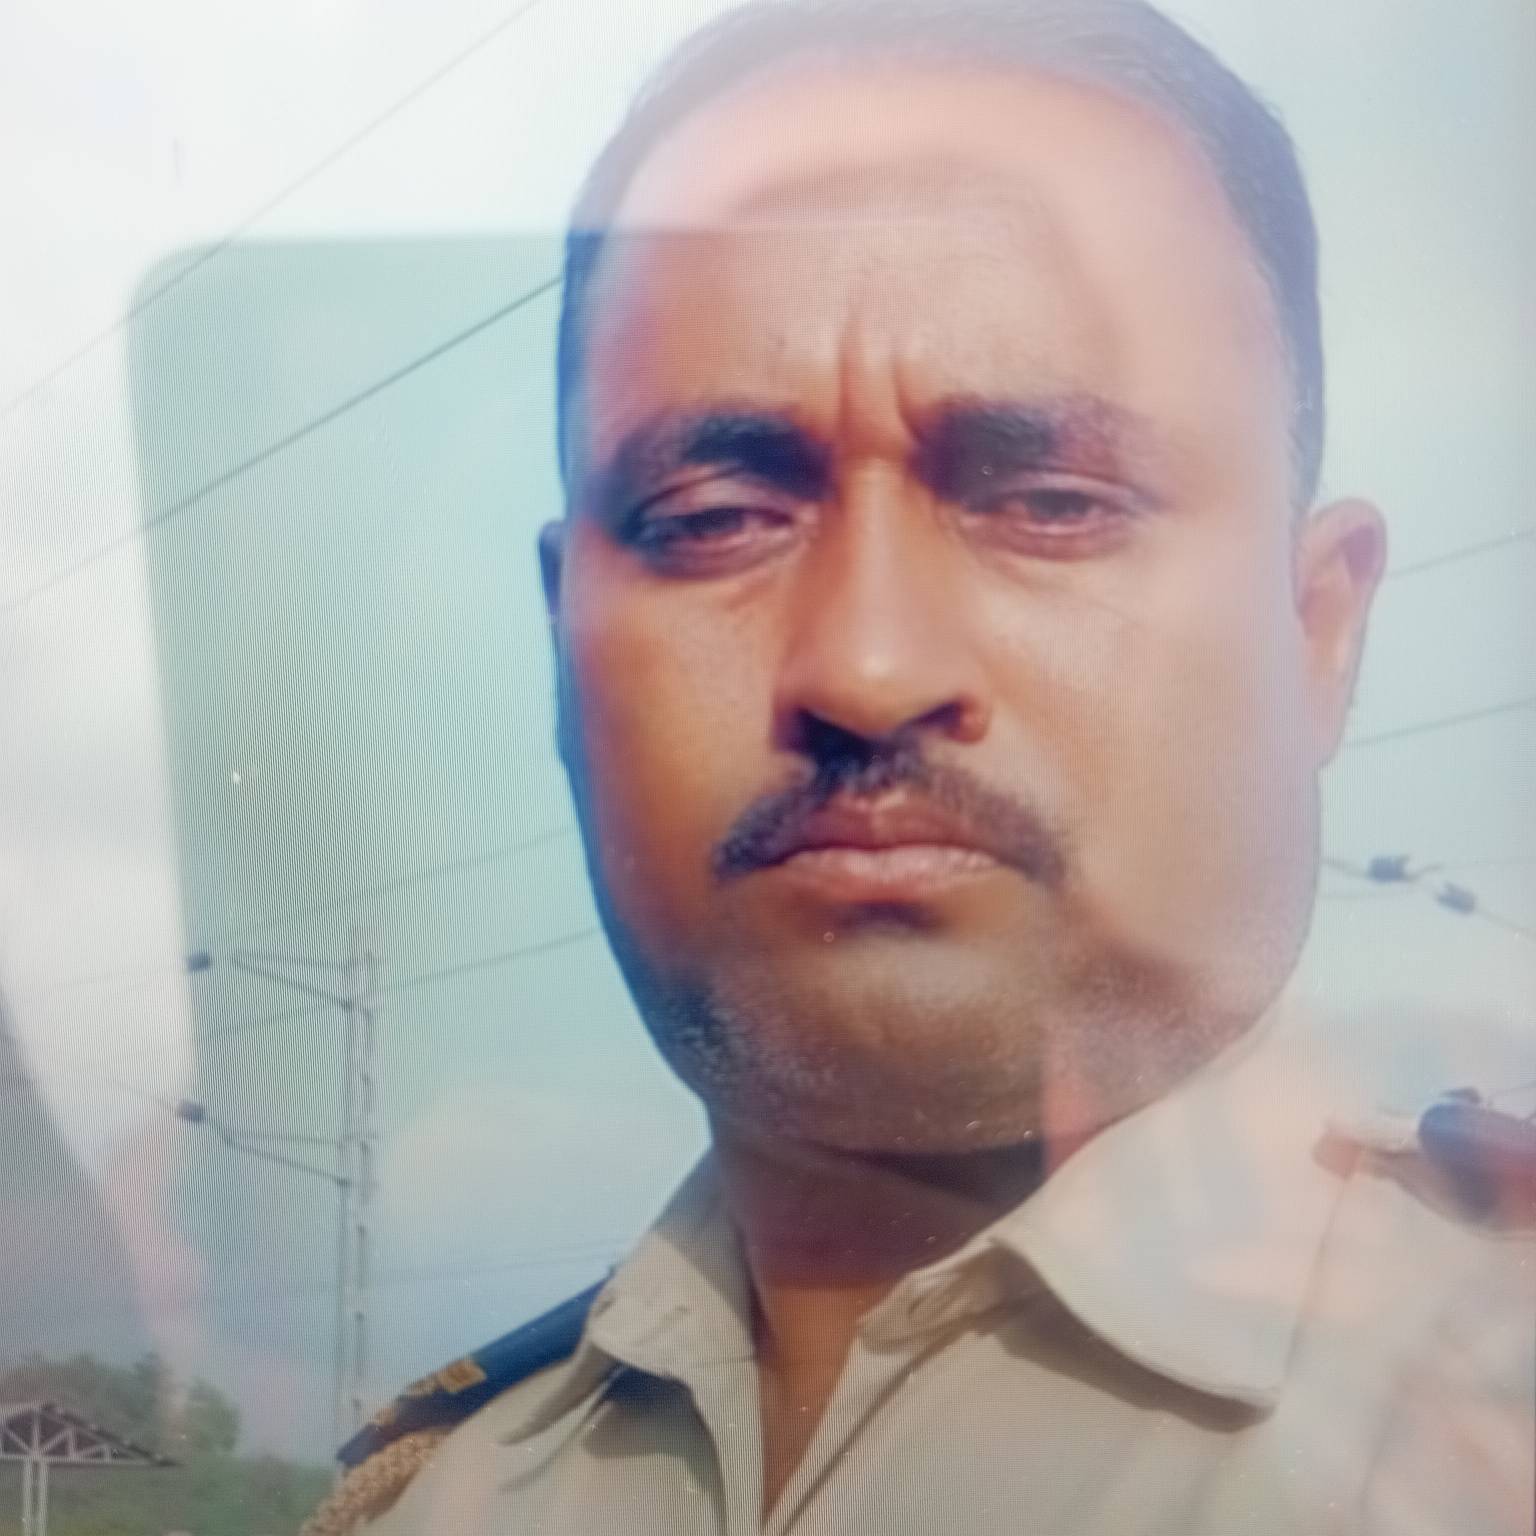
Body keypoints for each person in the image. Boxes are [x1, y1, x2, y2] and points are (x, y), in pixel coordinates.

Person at [304, 1, 1536, 1530]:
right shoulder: (445, 1495)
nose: (867, 668)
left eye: (1053, 501)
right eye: (711, 519)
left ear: (1318, 630)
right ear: (563, 643)